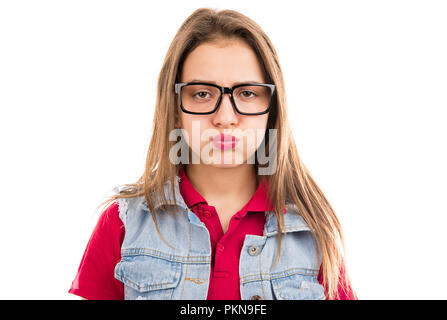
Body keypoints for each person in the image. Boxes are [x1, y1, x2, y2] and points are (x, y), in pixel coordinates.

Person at [69, 7, 357, 300]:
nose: (225, 117)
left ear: (271, 110)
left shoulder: (312, 233)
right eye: (202, 94)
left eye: (247, 93)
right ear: (175, 109)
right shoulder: (122, 224)